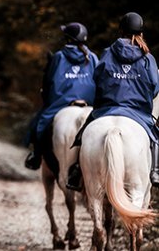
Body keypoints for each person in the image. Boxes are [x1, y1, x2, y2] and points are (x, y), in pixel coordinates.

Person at [67, 12, 159, 191]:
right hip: (137, 111)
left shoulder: (109, 53)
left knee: (83, 133)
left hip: (107, 109)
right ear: (141, 32)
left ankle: (77, 171)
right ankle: (156, 171)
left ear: (121, 30)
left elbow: (98, 77)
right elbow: (155, 87)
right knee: (156, 137)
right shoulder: (148, 57)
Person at [24, 22, 99, 174]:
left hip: (61, 103)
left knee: (39, 124)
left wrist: (47, 99)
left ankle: (36, 155)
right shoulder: (93, 58)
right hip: (90, 103)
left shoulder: (58, 57)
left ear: (67, 39)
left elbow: (49, 83)